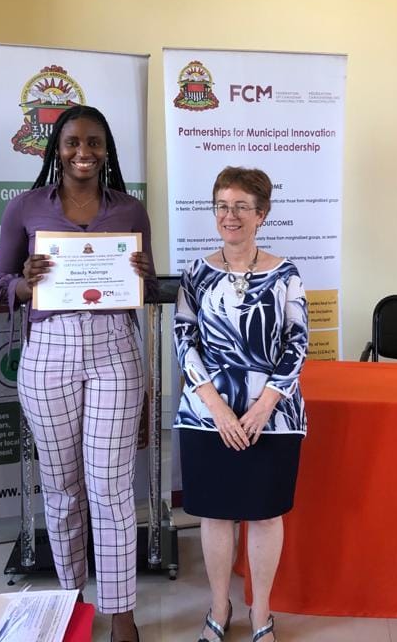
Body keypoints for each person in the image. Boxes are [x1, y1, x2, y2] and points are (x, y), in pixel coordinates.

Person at [0, 105, 155, 642]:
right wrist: (23, 282)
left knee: (110, 487)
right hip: (49, 352)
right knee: (61, 490)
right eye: (72, 142)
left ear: (107, 150)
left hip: (113, 352)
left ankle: (122, 616)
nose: (83, 152)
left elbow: (146, 290)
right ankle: (71, 604)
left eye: (94, 143)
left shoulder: (130, 210)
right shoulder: (24, 208)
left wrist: (142, 277)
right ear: (55, 149)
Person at [173, 167, 308, 642]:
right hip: (207, 415)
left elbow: (297, 344)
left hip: (272, 417)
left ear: (262, 215)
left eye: (241, 207)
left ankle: (261, 613)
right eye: (222, 206)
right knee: (215, 513)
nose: (229, 216)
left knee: (266, 514)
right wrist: (217, 407)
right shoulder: (196, 272)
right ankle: (219, 606)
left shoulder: (286, 273)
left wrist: (263, 406)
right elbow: (183, 340)